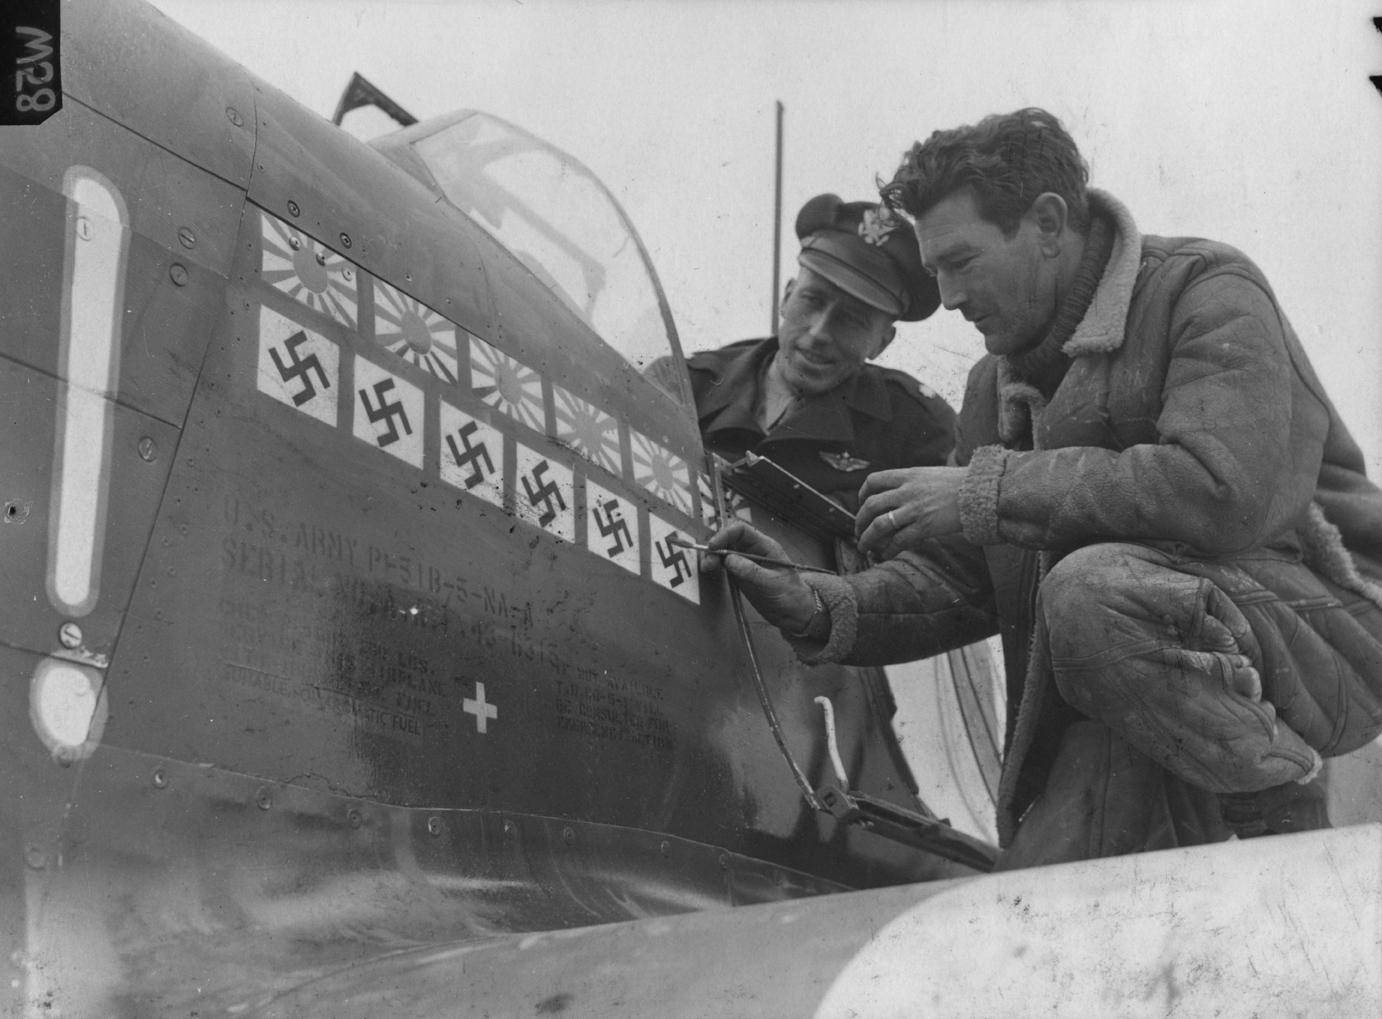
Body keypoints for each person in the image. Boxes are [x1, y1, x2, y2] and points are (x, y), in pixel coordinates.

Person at [705, 109, 1382, 869]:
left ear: (1050, 222)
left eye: (961, 261)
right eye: (934, 271)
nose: (949, 295)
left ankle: (1284, 814)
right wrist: (824, 601)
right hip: (1133, 662)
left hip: (1329, 632)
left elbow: (1221, 488)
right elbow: (963, 578)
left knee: (1088, 593)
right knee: (1046, 906)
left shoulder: (1205, 288)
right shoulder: (992, 387)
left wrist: (986, 489)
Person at [682, 193, 955, 512]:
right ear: (786, 297)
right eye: (811, 300)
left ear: (882, 342)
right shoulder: (689, 385)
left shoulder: (916, 430)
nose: (819, 332)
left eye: (851, 320)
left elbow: (934, 558)